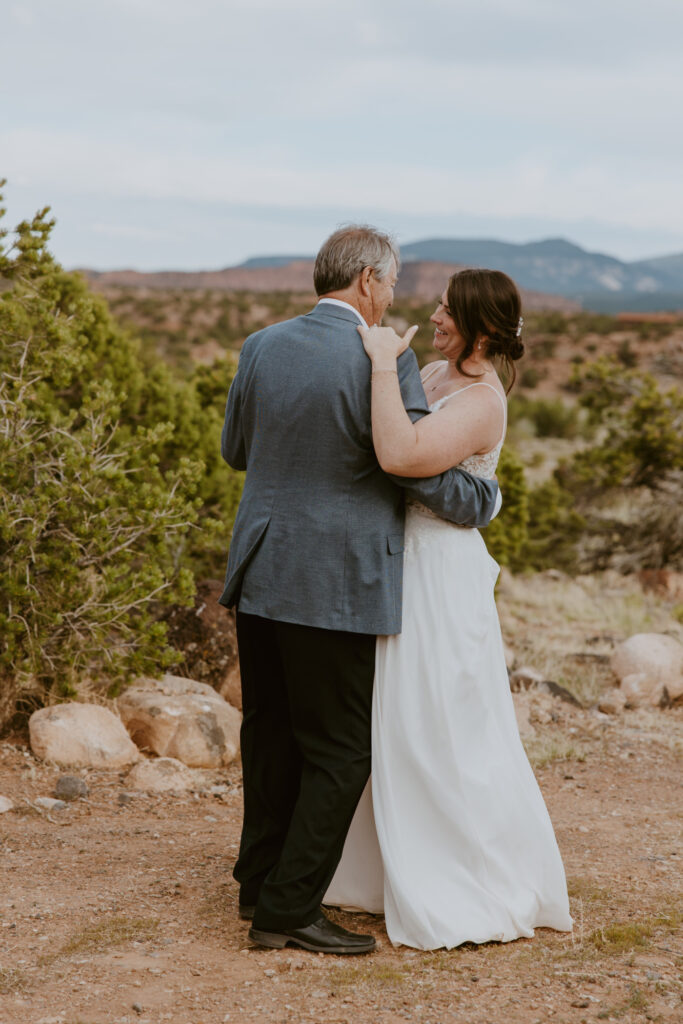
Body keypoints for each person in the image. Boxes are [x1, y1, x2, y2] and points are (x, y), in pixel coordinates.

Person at [220, 227, 501, 955]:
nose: (397, 302)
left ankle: (257, 880)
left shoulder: (260, 345)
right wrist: (481, 499)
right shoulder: (385, 359)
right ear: (370, 283)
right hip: (334, 578)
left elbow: (235, 451)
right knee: (341, 748)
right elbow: (403, 463)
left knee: (270, 729)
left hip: (260, 565)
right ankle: (285, 911)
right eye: (394, 287)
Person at [325, 269, 573, 949]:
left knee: (438, 715)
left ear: (482, 328)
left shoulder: (482, 400)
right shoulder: (433, 372)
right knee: (389, 715)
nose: (434, 315)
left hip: (438, 571)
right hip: (397, 561)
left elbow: (402, 453)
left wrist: (382, 361)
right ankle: (378, 869)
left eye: (447, 309)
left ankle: (462, 874)